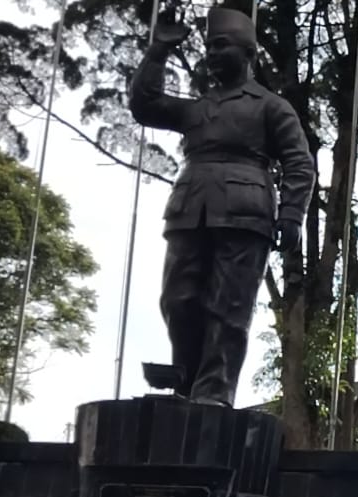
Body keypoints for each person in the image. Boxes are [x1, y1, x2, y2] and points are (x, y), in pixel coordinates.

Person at [128, 6, 314, 406]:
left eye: (221, 45)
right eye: (209, 46)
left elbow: (299, 161)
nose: (211, 53)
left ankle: (213, 393)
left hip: (246, 212)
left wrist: (292, 214)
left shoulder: (271, 106)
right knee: (178, 300)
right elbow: (145, 105)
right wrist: (158, 50)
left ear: (248, 52)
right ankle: (186, 383)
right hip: (189, 210)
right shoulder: (197, 107)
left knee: (228, 307)